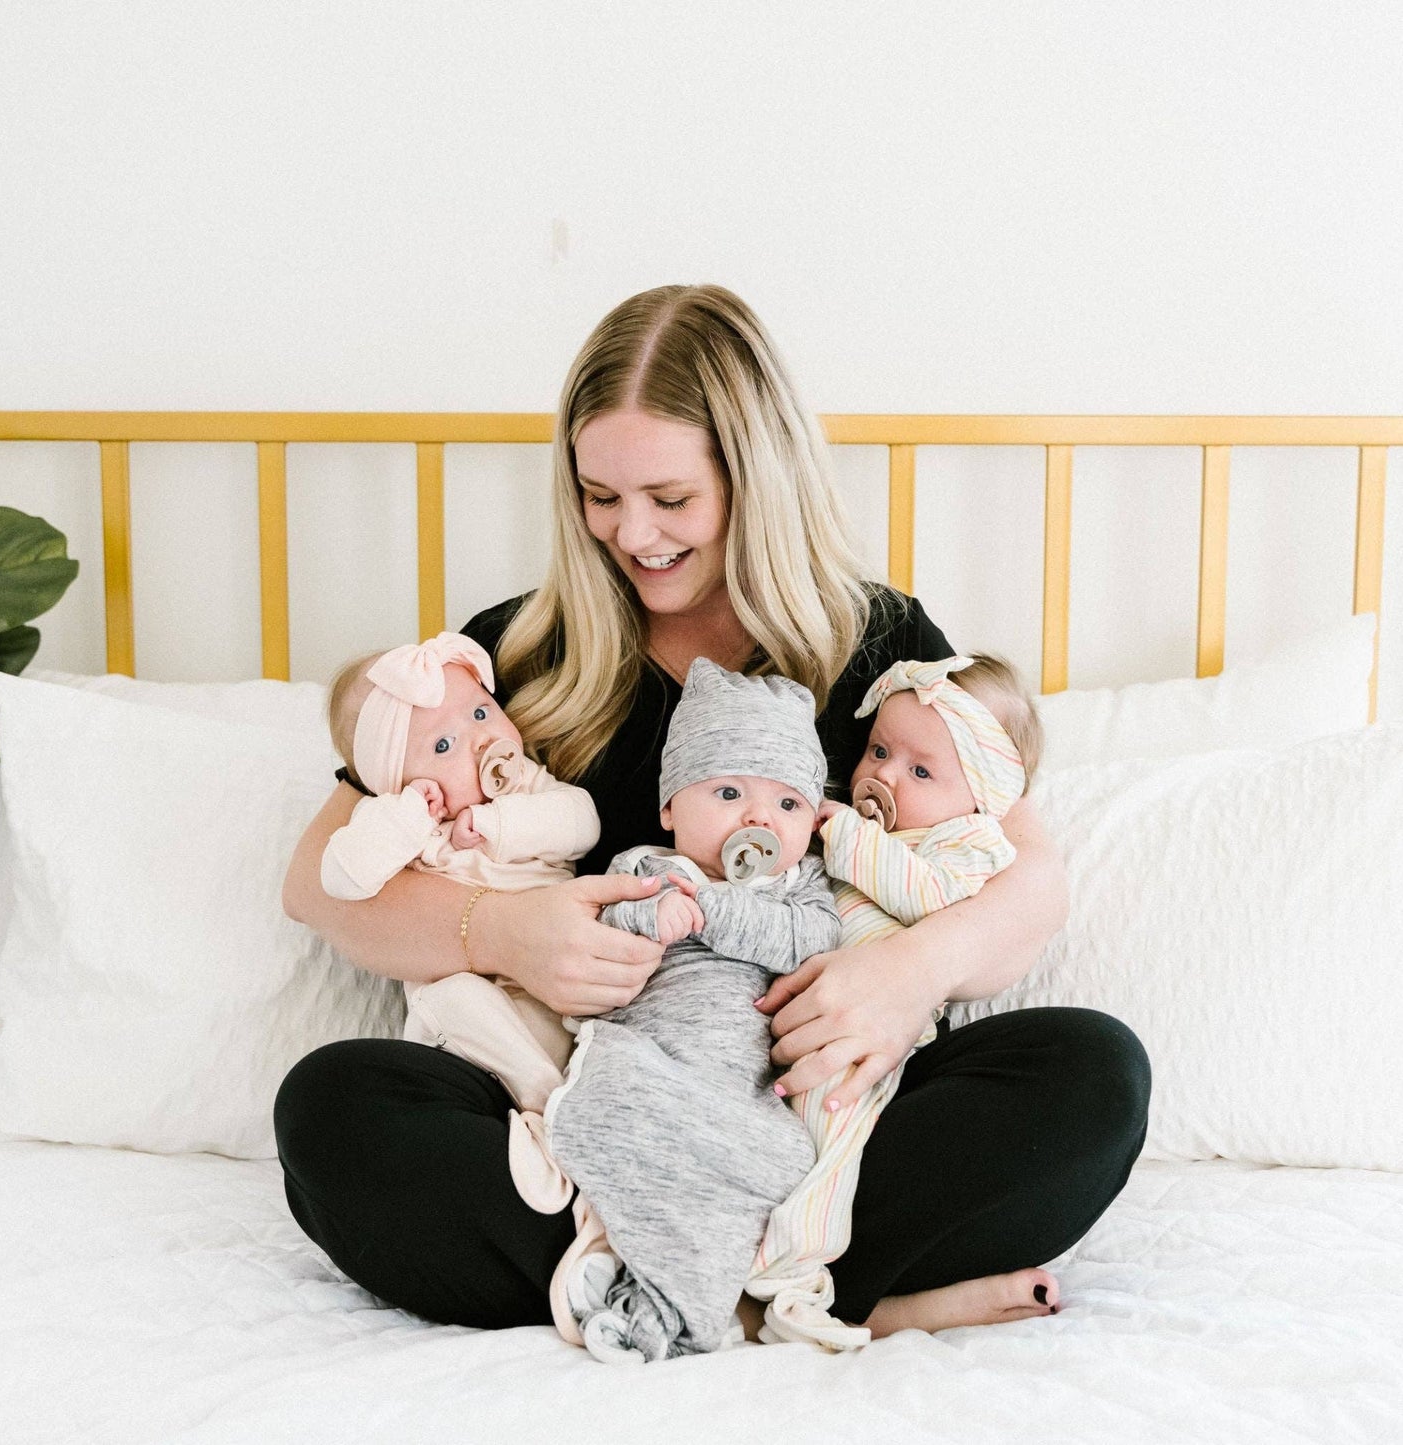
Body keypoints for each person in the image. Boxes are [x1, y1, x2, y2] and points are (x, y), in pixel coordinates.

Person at [274, 283, 1151, 1340]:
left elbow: (1029, 875)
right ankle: (795, 1294)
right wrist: (498, 930)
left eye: (670, 498)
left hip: (816, 1120)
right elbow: (316, 878)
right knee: (333, 1106)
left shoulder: (878, 644)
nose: (631, 532)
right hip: (591, 1118)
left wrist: (908, 973)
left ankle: (670, 1284)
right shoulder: (516, 653)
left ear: (754, 477)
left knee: (1090, 1075)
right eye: (599, 495)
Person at [547, 659, 840, 1362]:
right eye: (729, 792)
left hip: (740, 1095)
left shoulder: (799, 889)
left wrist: (713, 909)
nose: (758, 819)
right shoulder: (646, 870)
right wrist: (648, 918)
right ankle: (653, 1287)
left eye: (788, 804)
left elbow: (812, 941)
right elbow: (600, 931)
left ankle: (666, 1297)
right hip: (650, 1063)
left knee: (775, 1159)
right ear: (670, 809)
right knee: (612, 1100)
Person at [748, 652, 1038, 1342]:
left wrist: (841, 831)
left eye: (921, 771)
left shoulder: (969, 843)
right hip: (786, 1013)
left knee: (828, 1139)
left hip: (866, 1047)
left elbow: (926, 896)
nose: (884, 775)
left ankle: (793, 1269)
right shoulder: (862, 830)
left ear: (983, 792)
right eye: (879, 750)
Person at [319, 630, 599, 1067]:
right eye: (443, 745)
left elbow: (583, 824)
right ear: (395, 779)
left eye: (481, 711)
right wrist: (410, 815)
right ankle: (542, 1093)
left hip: (550, 985)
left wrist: (495, 823)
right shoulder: (403, 820)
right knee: (448, 1000)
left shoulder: (525, 784)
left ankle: (546, 1093)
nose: (481, 739)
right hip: (467, 1016)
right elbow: (340, 879)